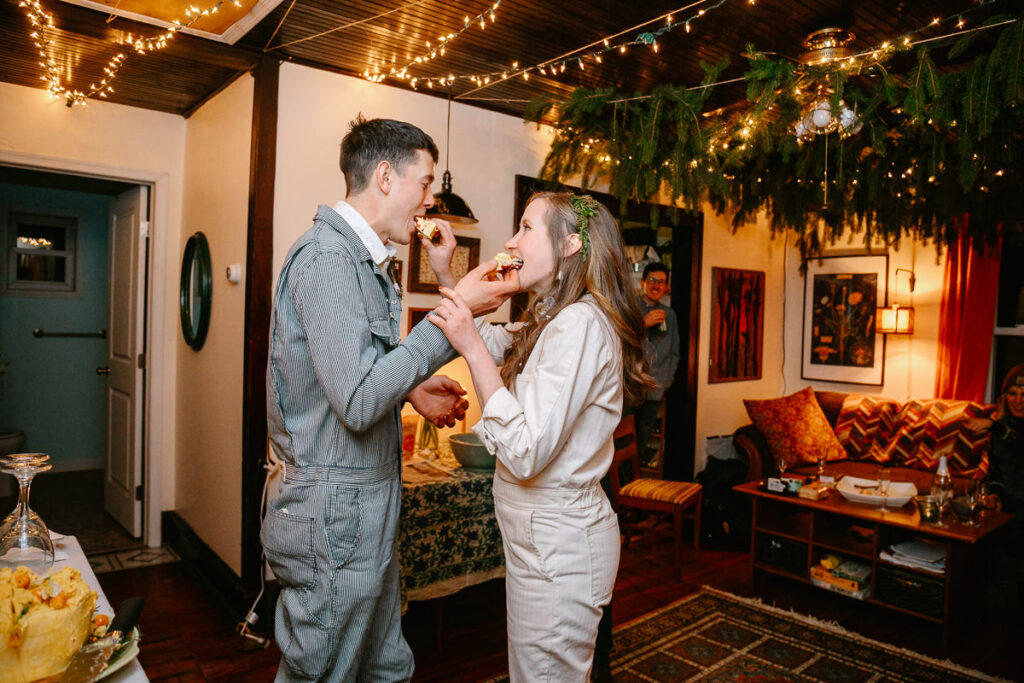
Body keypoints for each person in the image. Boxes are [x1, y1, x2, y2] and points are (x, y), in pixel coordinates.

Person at [262, 116, 517, 682]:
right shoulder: (327, 257)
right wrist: (456, 315)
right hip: (334, 518)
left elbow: (351, 375)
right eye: (424, 183)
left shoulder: (366, 261)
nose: (429, 200)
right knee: (324, 673)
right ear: (384, 175)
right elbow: (354, 401)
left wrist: (410, 385)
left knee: (387, 667)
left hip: (365, 509)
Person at [429, 192, 655, 680]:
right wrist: (450, 278)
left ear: (570, 244)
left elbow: (526, 450)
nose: (511, 241)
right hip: (543, 544)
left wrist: (468, 344)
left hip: (561, 549)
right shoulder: (554, 314)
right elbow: (493, 343)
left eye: (526, 228)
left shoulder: (578, 323)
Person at [635, 262, 680, 467]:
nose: (656, 286)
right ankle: (617, 492)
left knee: (642, 442)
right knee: (620, 441)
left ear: (666, 287)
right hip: (629, 387)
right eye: (652, 280)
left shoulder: (669, 314)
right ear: (643, 282)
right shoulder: (631, 306)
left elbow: (674, 353)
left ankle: (633, 490)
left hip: (654, 389)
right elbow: (617, 339)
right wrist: (643, 324)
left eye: (661, 282)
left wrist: (665, 382)